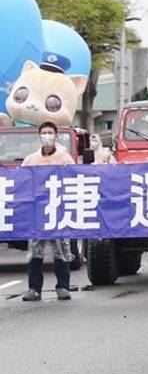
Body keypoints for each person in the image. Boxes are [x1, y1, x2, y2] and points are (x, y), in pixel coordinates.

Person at [21, 121, 74, 302]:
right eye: (44, 133)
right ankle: (34, 289)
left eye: (50, 132)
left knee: (61, 249)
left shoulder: (65, 158)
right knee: (35, 250)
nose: (47, 136)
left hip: (58, 210)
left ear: (56, 136)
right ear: (39, 136)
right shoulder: (31, 160)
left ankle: (63, 287)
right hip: (37, 211)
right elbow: (22, 181)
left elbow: (74, 179)